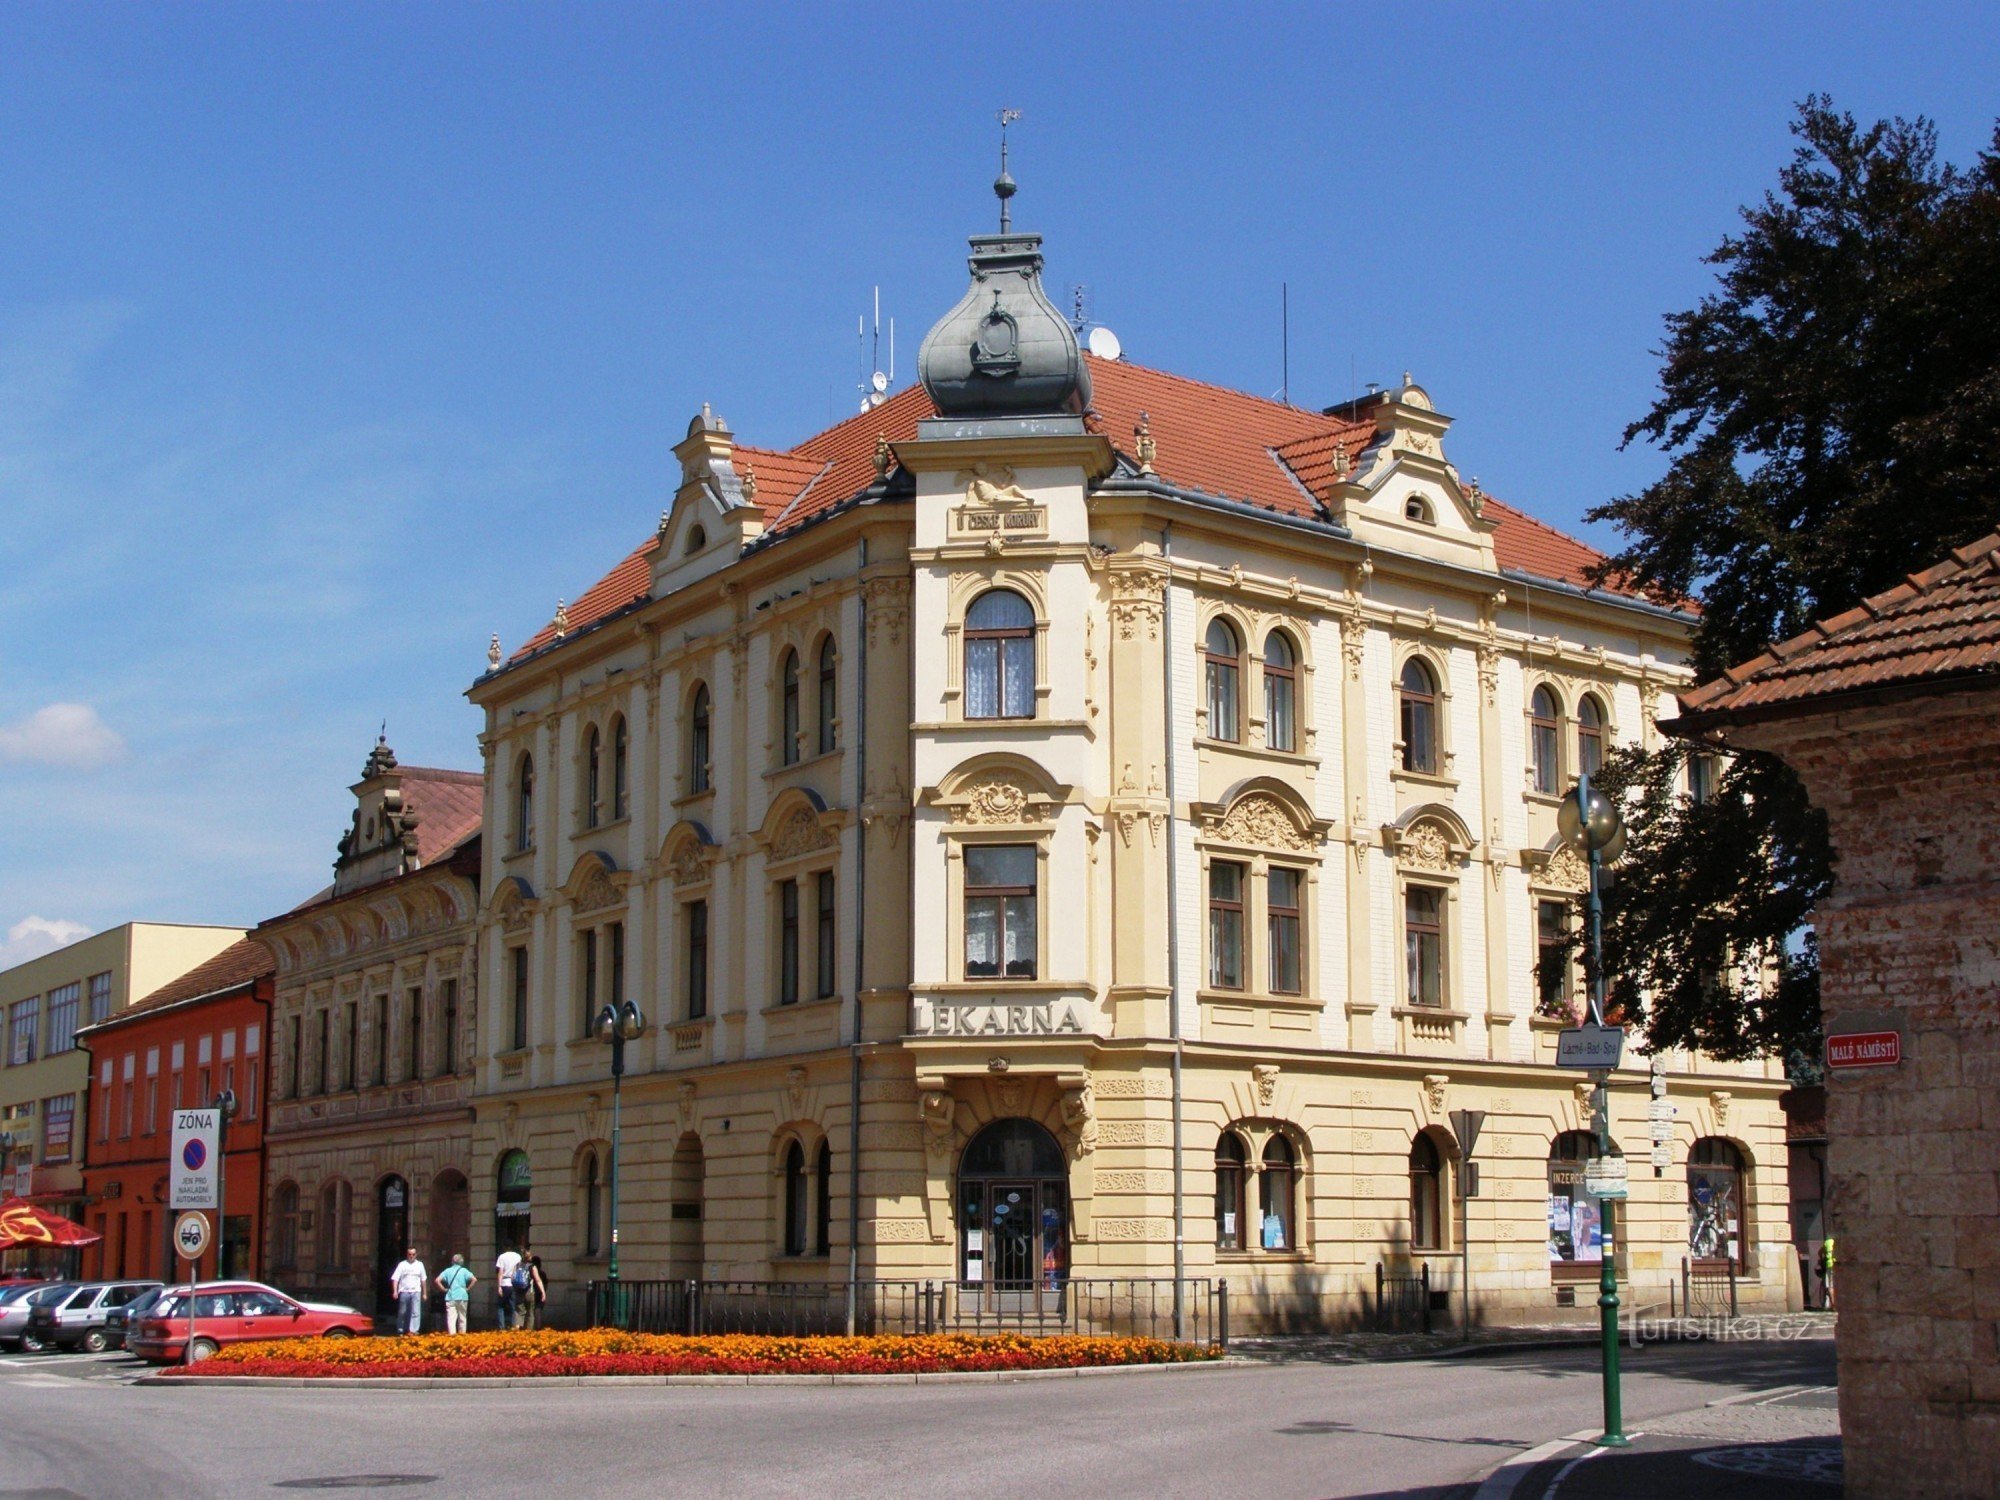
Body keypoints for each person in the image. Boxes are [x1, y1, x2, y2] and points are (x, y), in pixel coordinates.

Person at [389, 1246, 428, 1336]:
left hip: (416, 1291)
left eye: (413, 1254)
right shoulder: (402, 1265)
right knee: (402, 1312)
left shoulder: (420, 1265)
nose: (411, 1256)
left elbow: (423, 1279)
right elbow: (395, 1279)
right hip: (404, 1291)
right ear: (407, 1254)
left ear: (416, 1255)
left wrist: (425, 1293)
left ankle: (413, 1330)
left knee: (416, 1312)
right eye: (410, 1254)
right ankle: (401, 1329)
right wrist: (395, 1291)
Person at [434, 1253, 476, 1334]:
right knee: (462, 1318)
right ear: (461, 1262)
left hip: (450, 1296)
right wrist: (468, 1289)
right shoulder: (464, 1270)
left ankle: (452, 1336)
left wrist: (443, 1289)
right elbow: (474, 1279)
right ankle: (462, 1335)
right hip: (462, 1296)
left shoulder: (447, 1271)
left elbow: (437, 1280)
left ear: (452, 1261)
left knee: (451, 1318)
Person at [517, 1246, 545, 1330]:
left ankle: (516, 1331)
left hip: (519, 1291)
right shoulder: (532, 1266)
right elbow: (538, 1280)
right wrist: (543, 1292)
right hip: (529, 1291)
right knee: (530, 1313)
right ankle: (528, 1332)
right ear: (530, 1256)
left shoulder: (518, 1265)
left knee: (520, 1313)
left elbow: (513, 1277)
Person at [494, 1244, 522, 1330]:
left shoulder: (502, 1257)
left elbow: (500, 1271)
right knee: (513, 1306)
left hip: (504, 1283)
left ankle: (501, 1327)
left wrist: (499, 1286)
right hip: (514, 1282)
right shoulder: (518, 1256)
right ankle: (514, 1325)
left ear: (505, 1248)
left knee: (500, 1306)